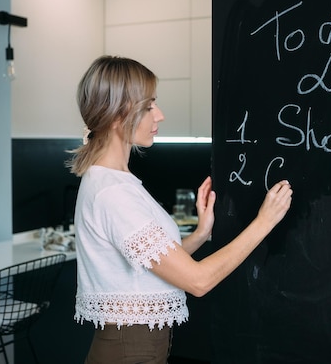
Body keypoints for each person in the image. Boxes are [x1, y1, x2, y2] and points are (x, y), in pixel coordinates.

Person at [67, 55, 293, 364]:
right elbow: (198, 281)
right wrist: (263, 222)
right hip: (129, 350)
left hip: (132, 347)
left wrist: (201, 233)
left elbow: (154, 264)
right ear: (118, 115)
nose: (158, 115)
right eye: (148, 106)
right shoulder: (114, 193)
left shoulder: (112, 181)